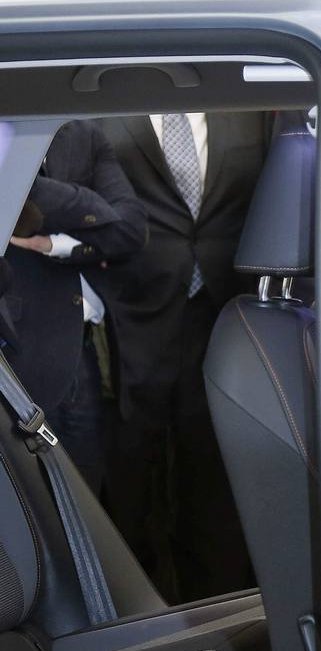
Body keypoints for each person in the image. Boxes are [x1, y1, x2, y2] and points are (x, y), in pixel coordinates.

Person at [100, 111, 271, 602]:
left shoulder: (246, 103)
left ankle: (217, 611)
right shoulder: (107, 104)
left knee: (215, 472)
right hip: (129, 315)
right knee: (131, 475)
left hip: (226, 310)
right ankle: (130, 609)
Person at [5, 123, 148, 494]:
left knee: (86, 504)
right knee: (27, 507)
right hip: (18, 356)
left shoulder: (85, 135)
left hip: (84, 356)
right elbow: (23, 195)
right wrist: (89, 205)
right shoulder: (9, 134)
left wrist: (51, 243)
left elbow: (131, 230)